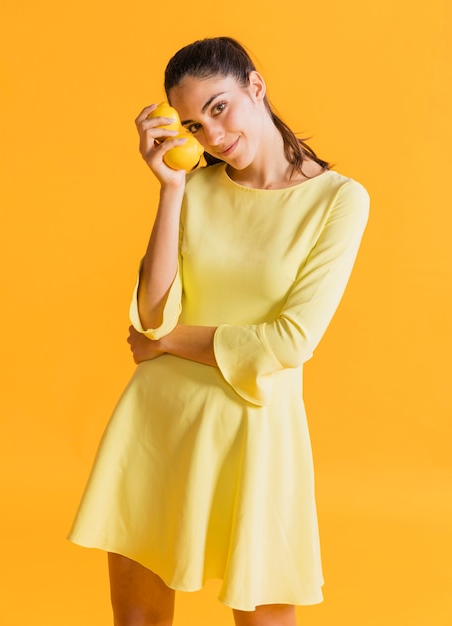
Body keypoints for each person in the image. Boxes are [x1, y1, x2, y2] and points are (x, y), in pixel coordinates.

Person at [68, 36, 369, 626]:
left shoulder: (339, 200)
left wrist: (169, 344)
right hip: (157, 425)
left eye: (218, 106)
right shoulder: (194, 190)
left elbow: (290, 341)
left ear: (255, 86)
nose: (210, 133)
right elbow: (153, 315)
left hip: (255, 433)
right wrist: (171, 189)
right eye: (192, 124)